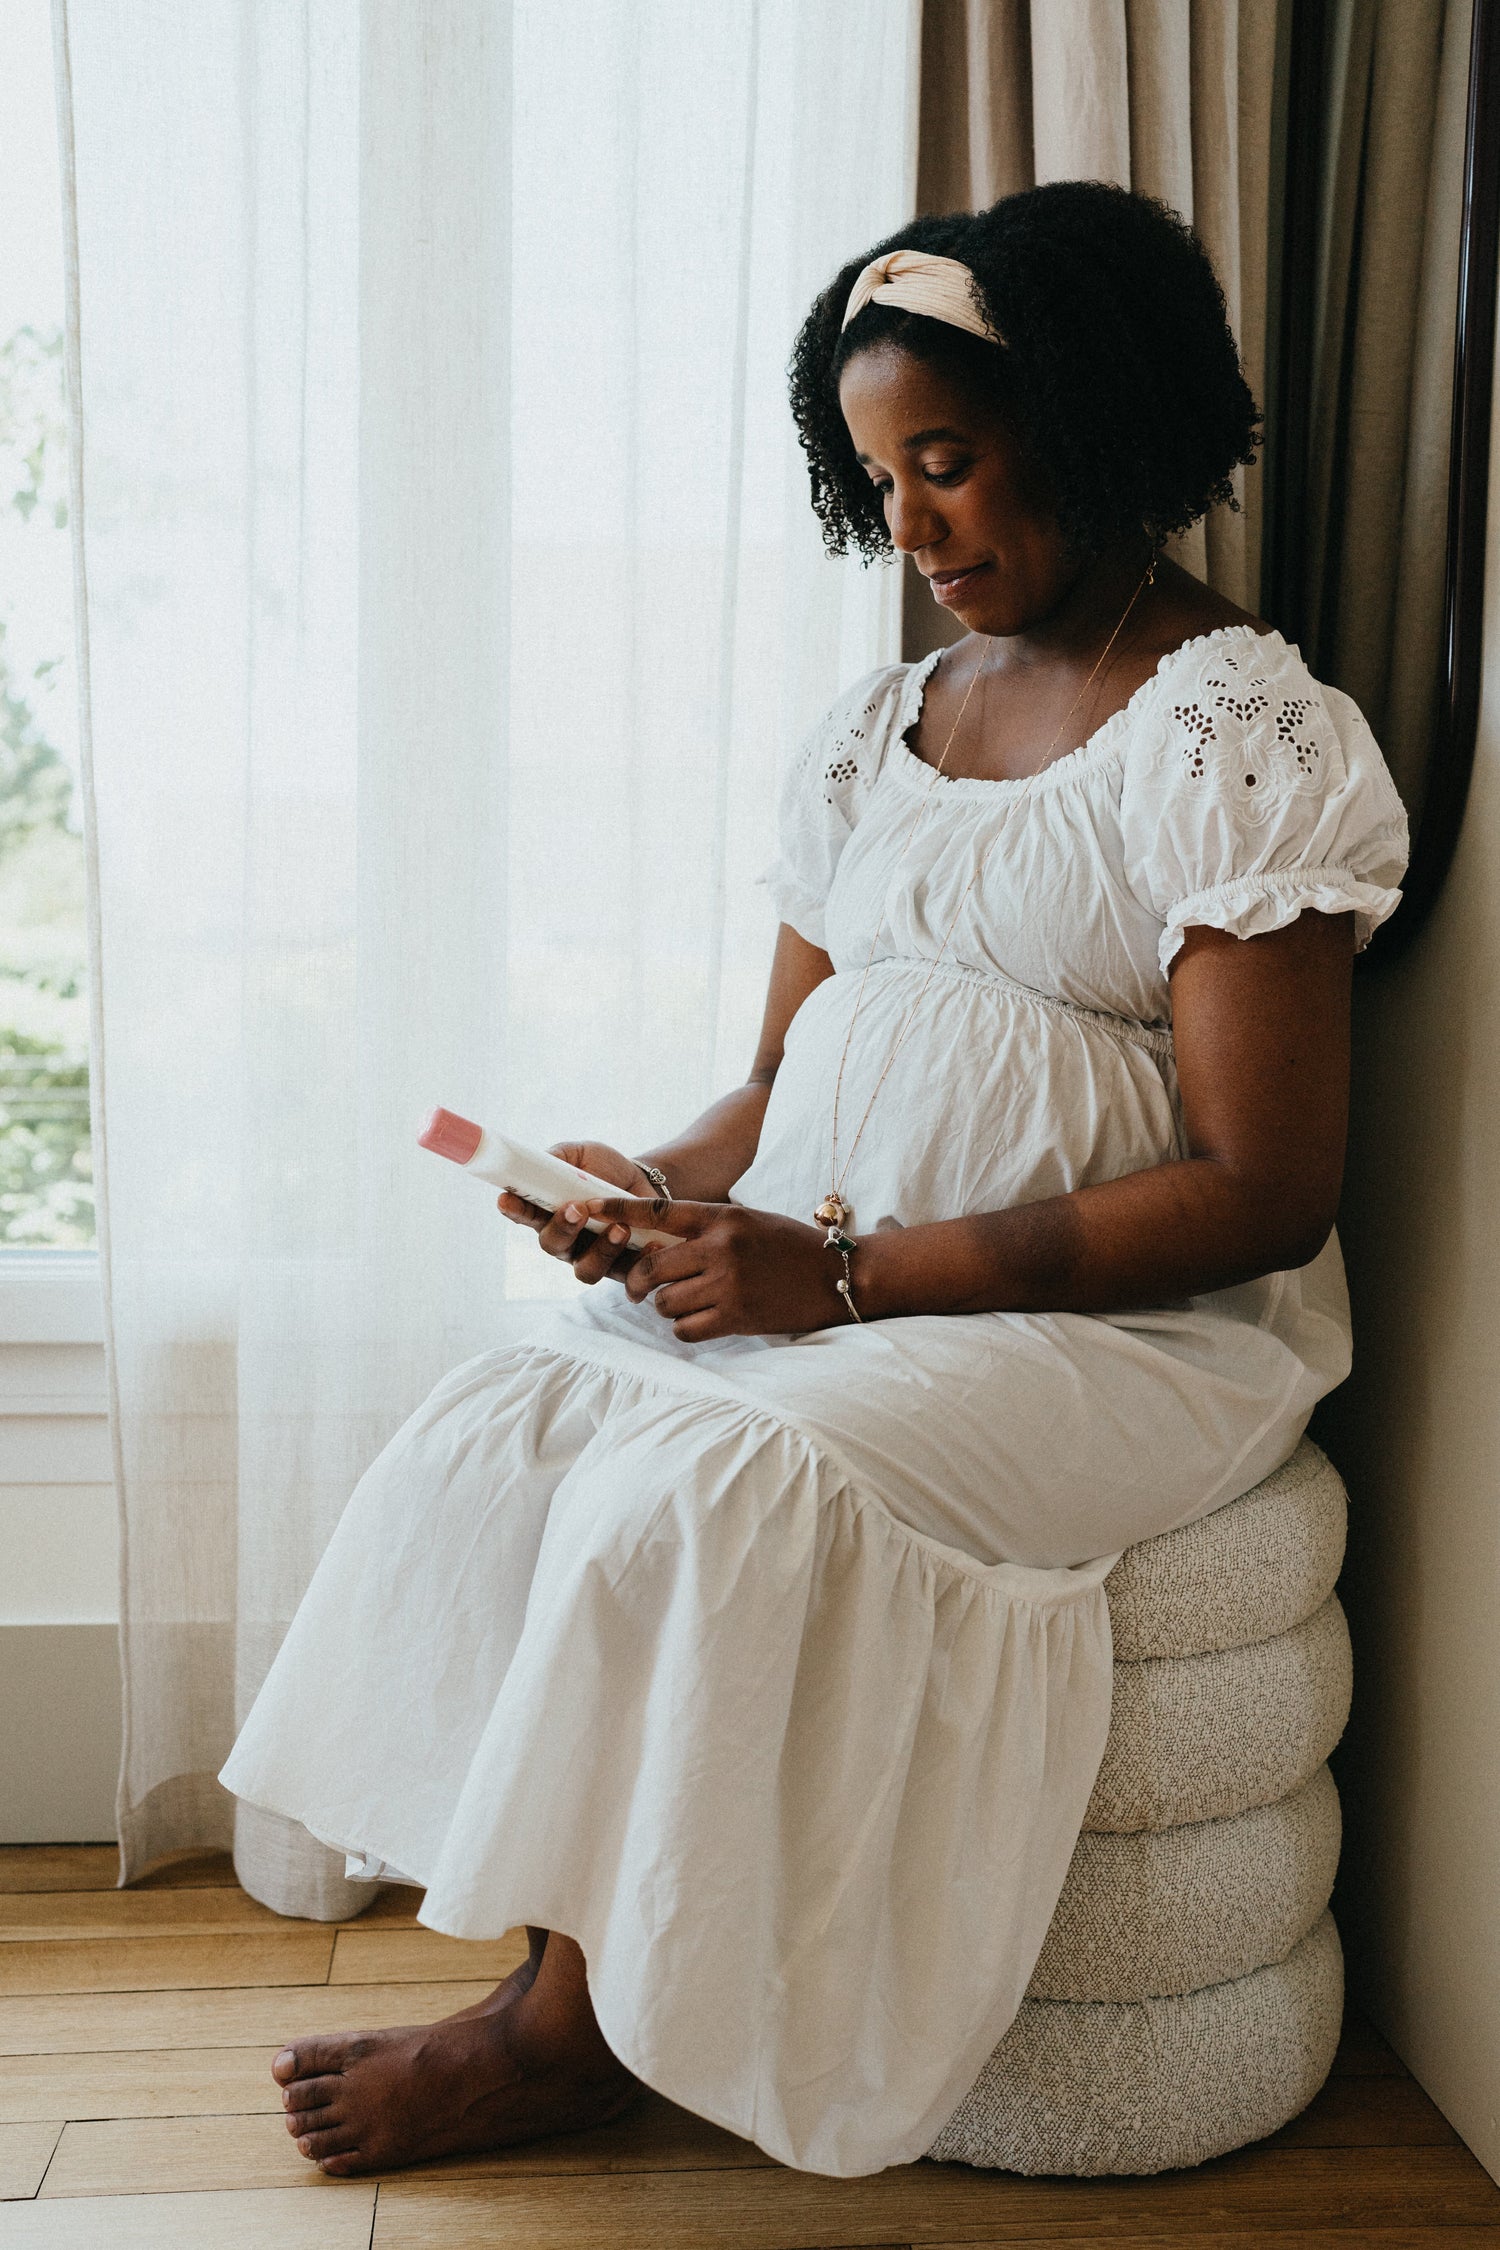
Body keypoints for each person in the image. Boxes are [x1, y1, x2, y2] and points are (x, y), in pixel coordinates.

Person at [220, 181, 1408, 2181]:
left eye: (946, 463)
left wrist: (844, 1281)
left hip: (1125, 1335)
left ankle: (560, 2033)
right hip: (849, 1269)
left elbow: (1263, 1191)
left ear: (1096, 421)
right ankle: (573, 1975)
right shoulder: (887, 729)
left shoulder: (1236, 728)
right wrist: (648, 1182)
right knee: (517, 1411)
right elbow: (776, 1080)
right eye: (877, 475)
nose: (910, 527)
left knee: (714, 1479)